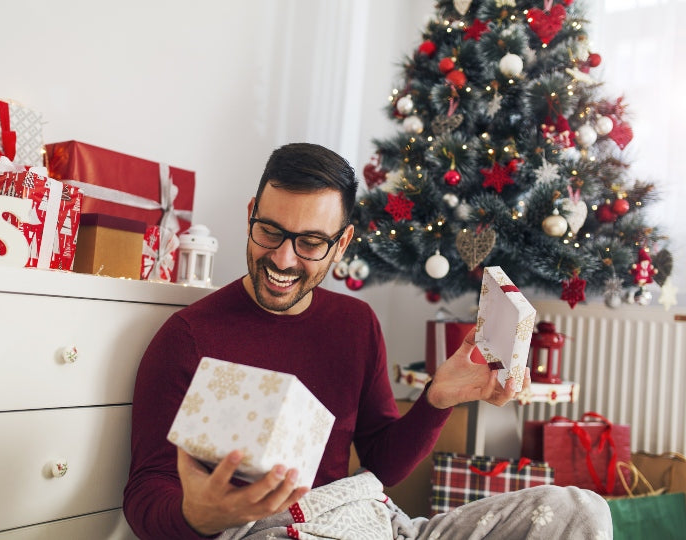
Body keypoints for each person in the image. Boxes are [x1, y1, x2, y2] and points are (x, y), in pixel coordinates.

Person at [123, 143, 612, 539]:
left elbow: (382, 463)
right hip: (269, 533)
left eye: (310, 242)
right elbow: (145, 495)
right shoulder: (189, 337)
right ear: (251, 214)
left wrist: (437, 399)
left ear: (341, 243)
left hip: (370, 523)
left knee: (578, 510)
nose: (284, 259)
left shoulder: (354, 323)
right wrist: (200, 516)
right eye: (270, 231)